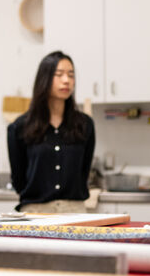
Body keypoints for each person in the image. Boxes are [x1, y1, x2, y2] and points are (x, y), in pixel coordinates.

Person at [7, 51, 95, 213]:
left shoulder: (84, 124)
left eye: (71, 75)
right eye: (59, 74)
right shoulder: (20, 127)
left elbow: (84, 171)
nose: (66, 80)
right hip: (35, 211)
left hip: (74, 211)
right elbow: (18, 179)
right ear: (44, 79)